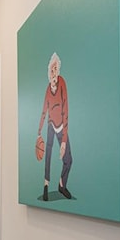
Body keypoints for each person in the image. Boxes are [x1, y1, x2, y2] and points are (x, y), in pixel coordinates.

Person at [37, 52, 72, 201]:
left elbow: (66, 110)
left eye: (56, 69)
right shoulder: (47, 89)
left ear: (59, 70)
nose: (54, 72)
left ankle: (61, 185)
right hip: (51, 125)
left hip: (61, 126)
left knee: (68, 159)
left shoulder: (62, 83)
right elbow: (44, 111)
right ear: (49, 71)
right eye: (52, 69)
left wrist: (64, 140)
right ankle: (46, 184)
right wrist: (39, 132)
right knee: (48, 156)